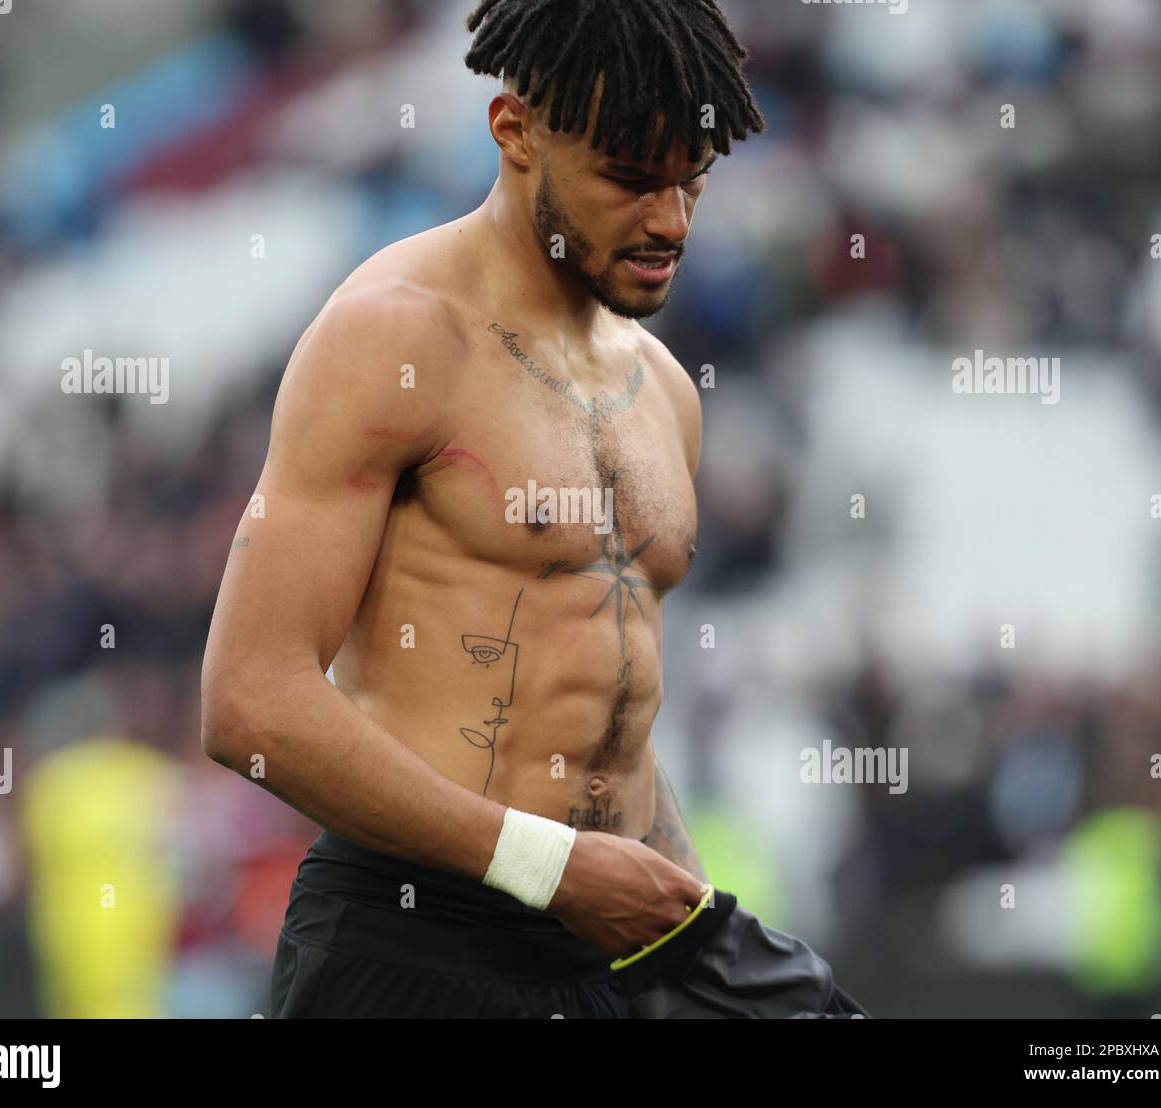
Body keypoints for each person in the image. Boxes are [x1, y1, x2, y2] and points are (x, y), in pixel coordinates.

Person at [200, 0, 766, 1018]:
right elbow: (249, 703)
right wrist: (549, 865)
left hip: (599, 949)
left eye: (691, 181)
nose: (671, 221)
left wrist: (703, 938)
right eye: (631, 179)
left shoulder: (666, 393)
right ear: (513, 132)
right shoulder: (394, 337)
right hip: (408, 940)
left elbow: (606, 716)